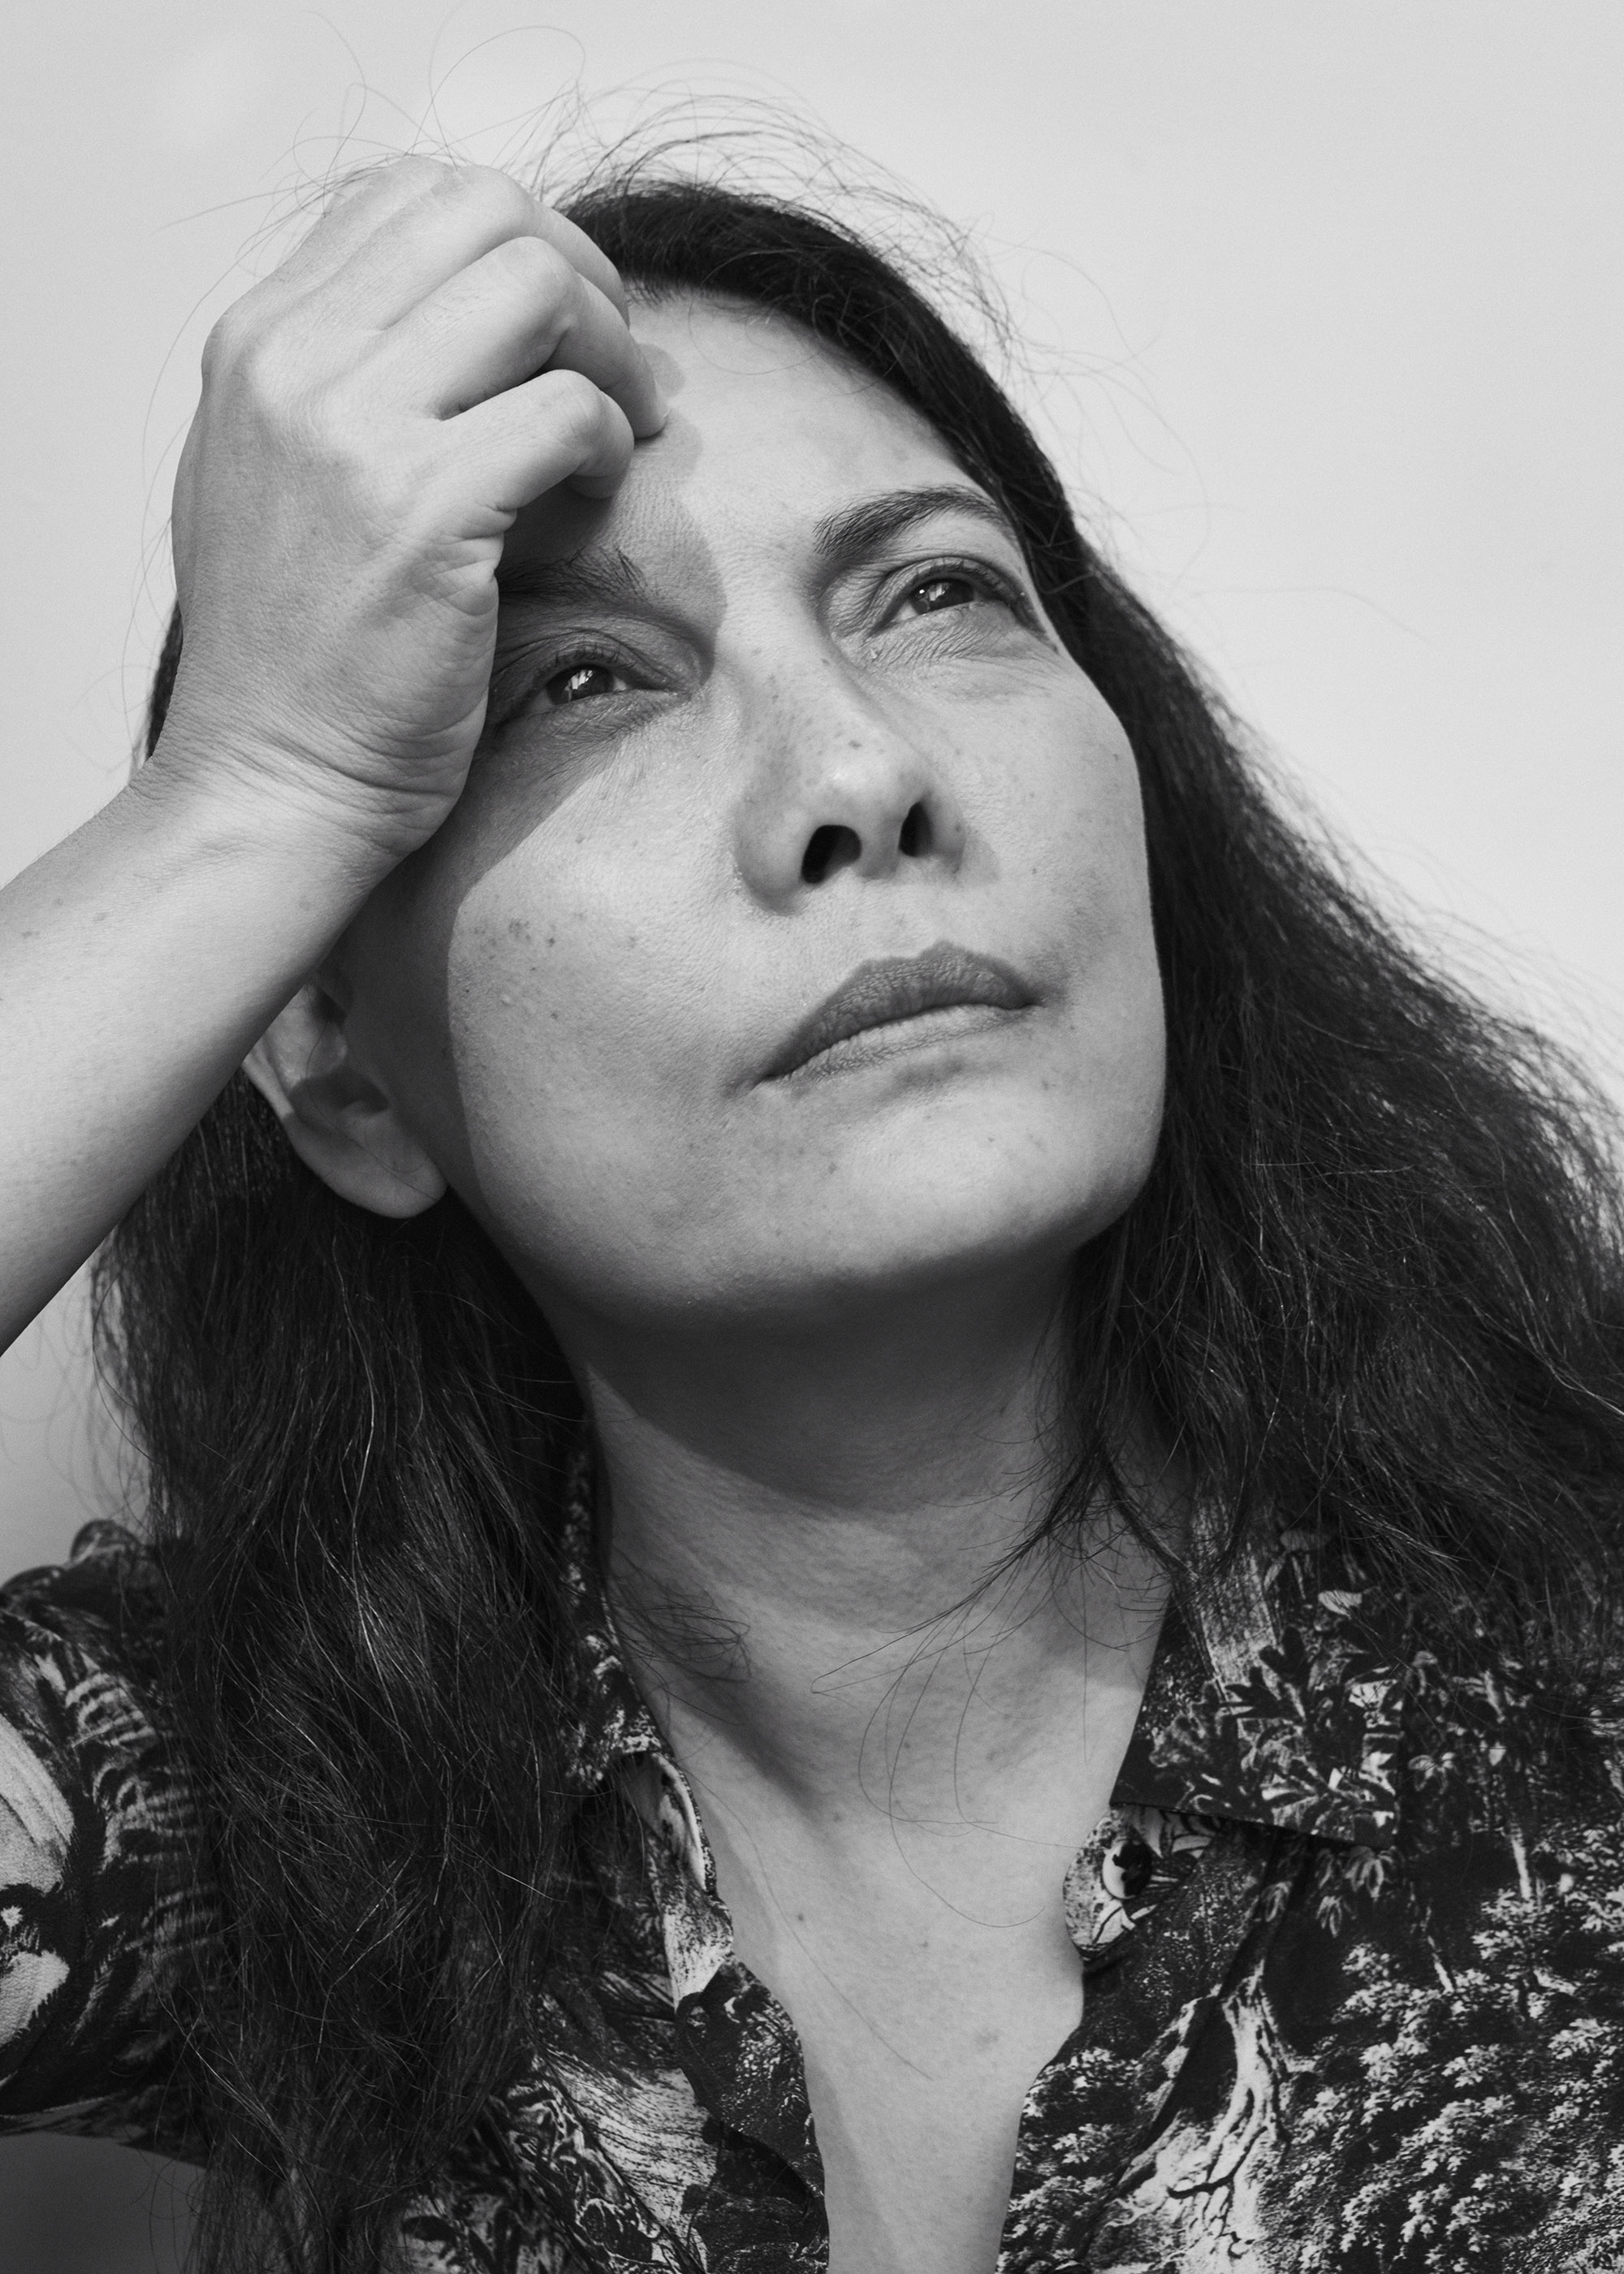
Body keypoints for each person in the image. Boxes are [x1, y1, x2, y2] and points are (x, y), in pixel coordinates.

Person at [2, 145, 1623, 2274]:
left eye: (938, 593)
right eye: (581, 680)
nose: (861, 771)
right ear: (340, 1069)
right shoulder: (253, 1818)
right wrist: (251, 796)